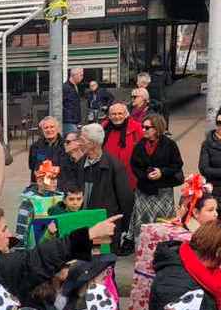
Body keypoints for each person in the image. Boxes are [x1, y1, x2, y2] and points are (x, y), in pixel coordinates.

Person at [67, 124, 134, 252]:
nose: (79, 143)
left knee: (104, 264)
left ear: (93, 144)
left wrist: (123, 228)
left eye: (82, 140)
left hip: (104, 224)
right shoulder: (80, 163)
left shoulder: (114, 166)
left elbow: (126, 200)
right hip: (82, 223)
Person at [128, 113, 184, 246]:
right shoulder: (140, 145)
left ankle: (164, 247)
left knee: (163, 222)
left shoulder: (170, 144)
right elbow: (134, 165)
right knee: (143, 222)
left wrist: (162, 172)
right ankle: (144, 248)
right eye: (143, 127)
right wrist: (145, 175)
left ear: (157, 129)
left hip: (163, 191)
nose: (143, 130)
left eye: (147, 128)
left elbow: (177, 164)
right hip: (144, 190)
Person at [102, 102, 144, 190]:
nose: (117, 117)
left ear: (126, 114)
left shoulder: (136, 127)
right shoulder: (103, 128)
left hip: (130, 173)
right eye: (113, 114)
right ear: (109, 116)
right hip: (109, 173)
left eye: (120, 113)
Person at [62, 68, 86, 135]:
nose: (82, 77)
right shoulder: (65, 88)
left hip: (73, 121)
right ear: (74, 75)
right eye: (81, 75)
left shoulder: (75, 87)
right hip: (68, 121)